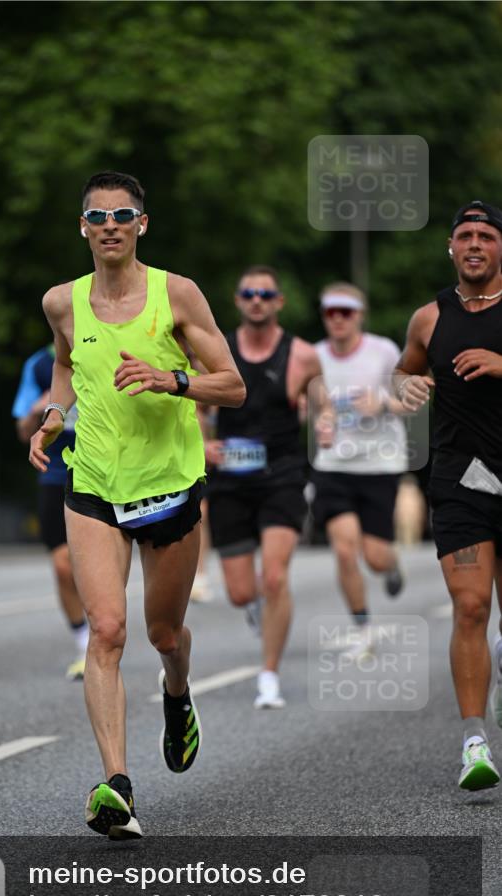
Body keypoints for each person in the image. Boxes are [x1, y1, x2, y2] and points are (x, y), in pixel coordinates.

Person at [29, 171, 245, 838]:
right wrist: (53, 415)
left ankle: (177, 691)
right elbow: (65, 365)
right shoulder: (61, 302)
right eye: (97, 217)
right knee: (107, 630)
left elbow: (232, 385)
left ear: (141, 225)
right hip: (93, 482)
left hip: (169, 484)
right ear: (83, 227)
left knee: (163, 634)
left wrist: (171, 379)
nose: (110, 226)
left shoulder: (176, 293)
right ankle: (117, 786)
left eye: (123, 215)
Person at [392, 200, 502, 792]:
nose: (475, 243)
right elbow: (403, 371)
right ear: (451, 248)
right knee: (471, 605)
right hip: (461, 481)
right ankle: (474, 741)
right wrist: (408, 388)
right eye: (465, 235)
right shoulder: (429, 318)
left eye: (486, 235)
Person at [203, 266, 329, 709]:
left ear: (279, 302)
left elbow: (323, 407)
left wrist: (326, 425)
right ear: (238, 300)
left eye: (265, 294)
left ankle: (269, 676)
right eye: (249, 293)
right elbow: (195, 408)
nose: (257, 300)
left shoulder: (303, 355)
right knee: (241, 592)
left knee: (274, 577)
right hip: (229, 480)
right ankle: (257, 607)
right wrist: (203, 444)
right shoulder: (216, 351)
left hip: (282, 475)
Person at [310, 282, 408, 634]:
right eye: (330, 312)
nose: (338, 319)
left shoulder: (383, 351)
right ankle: (362, 628)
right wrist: (319, 422)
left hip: (379, 463)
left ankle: (391, 564)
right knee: (344, 550)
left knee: (375, 557)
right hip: (333, 466)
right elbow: (307, 406)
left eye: (346, 312)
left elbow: (412, 401)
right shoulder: (313, 356)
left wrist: (382, 403)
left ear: (360, 316)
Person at [13, 344, 89, 678]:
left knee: (99, 563)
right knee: (62, 566)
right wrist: (38, 410)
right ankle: (84, 643)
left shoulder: (107, 346)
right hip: (55, 474)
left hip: (103, 472)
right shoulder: (40, 364)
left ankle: (106, 634)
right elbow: (22, 431)